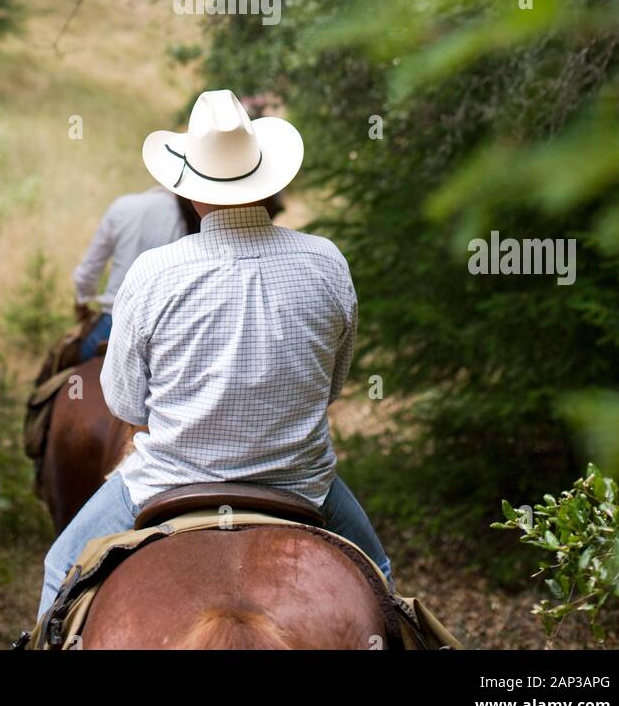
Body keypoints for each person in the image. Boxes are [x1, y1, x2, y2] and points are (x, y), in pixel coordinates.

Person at [39, 89, 391, 617]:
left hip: (168, 481)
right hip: (300, 483)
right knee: (381, 583)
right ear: (267, 182)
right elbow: (333, 384)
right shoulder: (326, 262)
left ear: (191, 193)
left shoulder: (154, 273)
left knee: (58, 568)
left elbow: (126, 405)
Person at [71, 186, 198, 360]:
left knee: (67, 370)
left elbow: (87, 273)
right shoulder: (193, 218)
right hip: (169, 329)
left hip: (114, 322)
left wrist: (82, 299)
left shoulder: (124, 207)